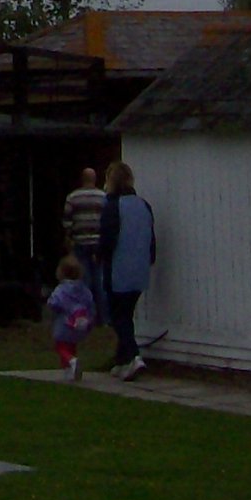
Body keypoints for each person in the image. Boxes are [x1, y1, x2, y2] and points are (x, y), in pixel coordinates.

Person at [100, 158, 156, 379]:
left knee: (117, 316)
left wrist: (100, 255)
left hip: (118, 269)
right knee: (126, 314)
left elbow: (107, 240)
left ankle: (133, 356)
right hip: (140, 269)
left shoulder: (112, 207)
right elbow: (151, 238)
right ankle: (122, 360)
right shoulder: (143, 205)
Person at [62, 165, 108, 321]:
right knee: (100, 280)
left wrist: (69, 240)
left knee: (84, 280)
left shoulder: (73, 197)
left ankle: (87, 315)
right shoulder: (103, 197)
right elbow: (107, 221)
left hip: (80, 242)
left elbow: (67, 223)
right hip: (98, 244)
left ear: (82, 179)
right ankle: (104, 318)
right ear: (95, 179)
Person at [45, 253, 97, 381]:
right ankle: (71, 370)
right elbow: (91, 305)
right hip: (81, 324)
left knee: (60, 346)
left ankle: (71, 361)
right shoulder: (84, 289)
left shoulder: (61, 290)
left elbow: (54, 303)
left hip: (64, 323)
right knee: (73, 345)